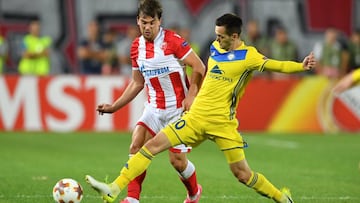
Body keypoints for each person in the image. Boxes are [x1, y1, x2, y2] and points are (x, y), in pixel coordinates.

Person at [86, 13, 316, 203]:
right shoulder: (215, 48)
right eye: (216, 34)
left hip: (222, 123)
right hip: (195, 117)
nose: (215, 39)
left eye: (221, 36)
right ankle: (114, 188)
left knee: (242, 174)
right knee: (151, 146)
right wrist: (193, 93)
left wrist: (301, 66)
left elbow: (277, 65)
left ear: (234, 36)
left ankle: (282, 198)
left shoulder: (249, 56)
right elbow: (202, 72)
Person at [94, 0, 205, 203]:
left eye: (151, 22)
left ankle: (194, 193)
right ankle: (132, 199)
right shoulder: (136, 47)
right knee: (135, 146)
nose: (147, 27)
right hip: (153, 109)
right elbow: (137, 83)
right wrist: (114, 107)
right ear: (137, 21)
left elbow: (199, 67)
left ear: (159, 21)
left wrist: (191, 96)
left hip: (177, 110)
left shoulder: (173, 41)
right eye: (143, 22)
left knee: (178, 162)